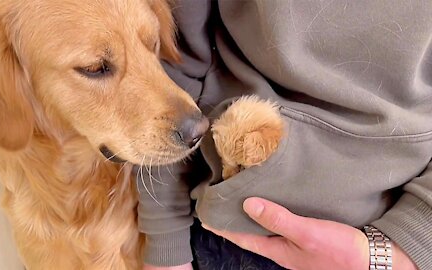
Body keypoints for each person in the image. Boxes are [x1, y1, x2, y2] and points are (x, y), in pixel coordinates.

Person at [138, 1, 432, 269]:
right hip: (218, 226)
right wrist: (166, 245)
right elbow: (176, 63)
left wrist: (400, 250)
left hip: (391, 234)